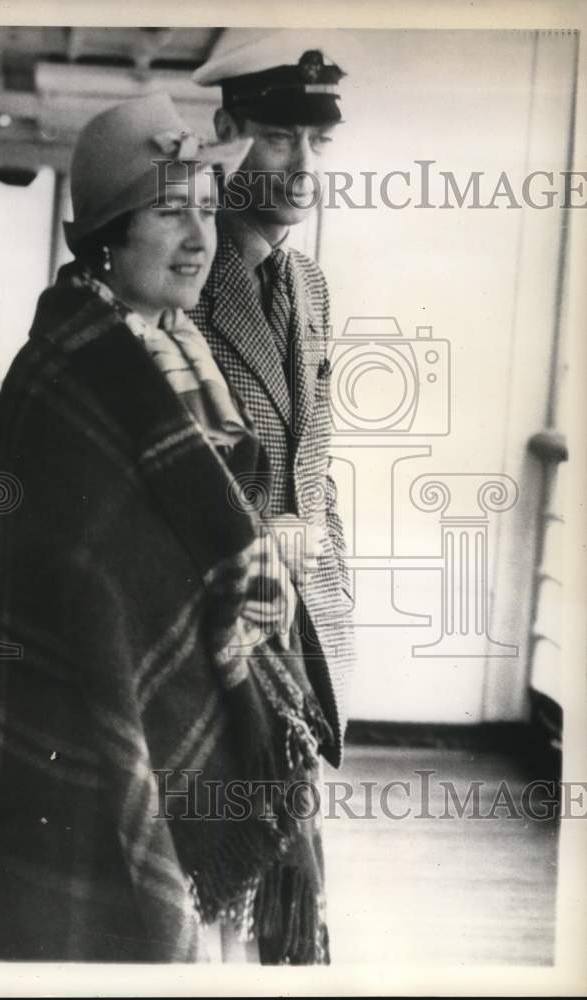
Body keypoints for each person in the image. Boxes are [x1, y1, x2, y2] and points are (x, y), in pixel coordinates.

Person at [0, 93, 334, 965]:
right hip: (94, 731)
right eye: (170, 212)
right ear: (105, 235)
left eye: (207, 207)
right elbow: (103, 591)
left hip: (201, 717)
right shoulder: (60, 380)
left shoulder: (181, 353)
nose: (199, 239)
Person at [190, 36, 354, 761]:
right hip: (214, 620)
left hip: (308, 619)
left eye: (318, 141)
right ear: (226, 136)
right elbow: (172, 460)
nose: (305, 167)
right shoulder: (183, 273)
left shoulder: (310, 282)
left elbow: (313, 458)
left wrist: (329, 581)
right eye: (281, 138)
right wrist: (266, 530)